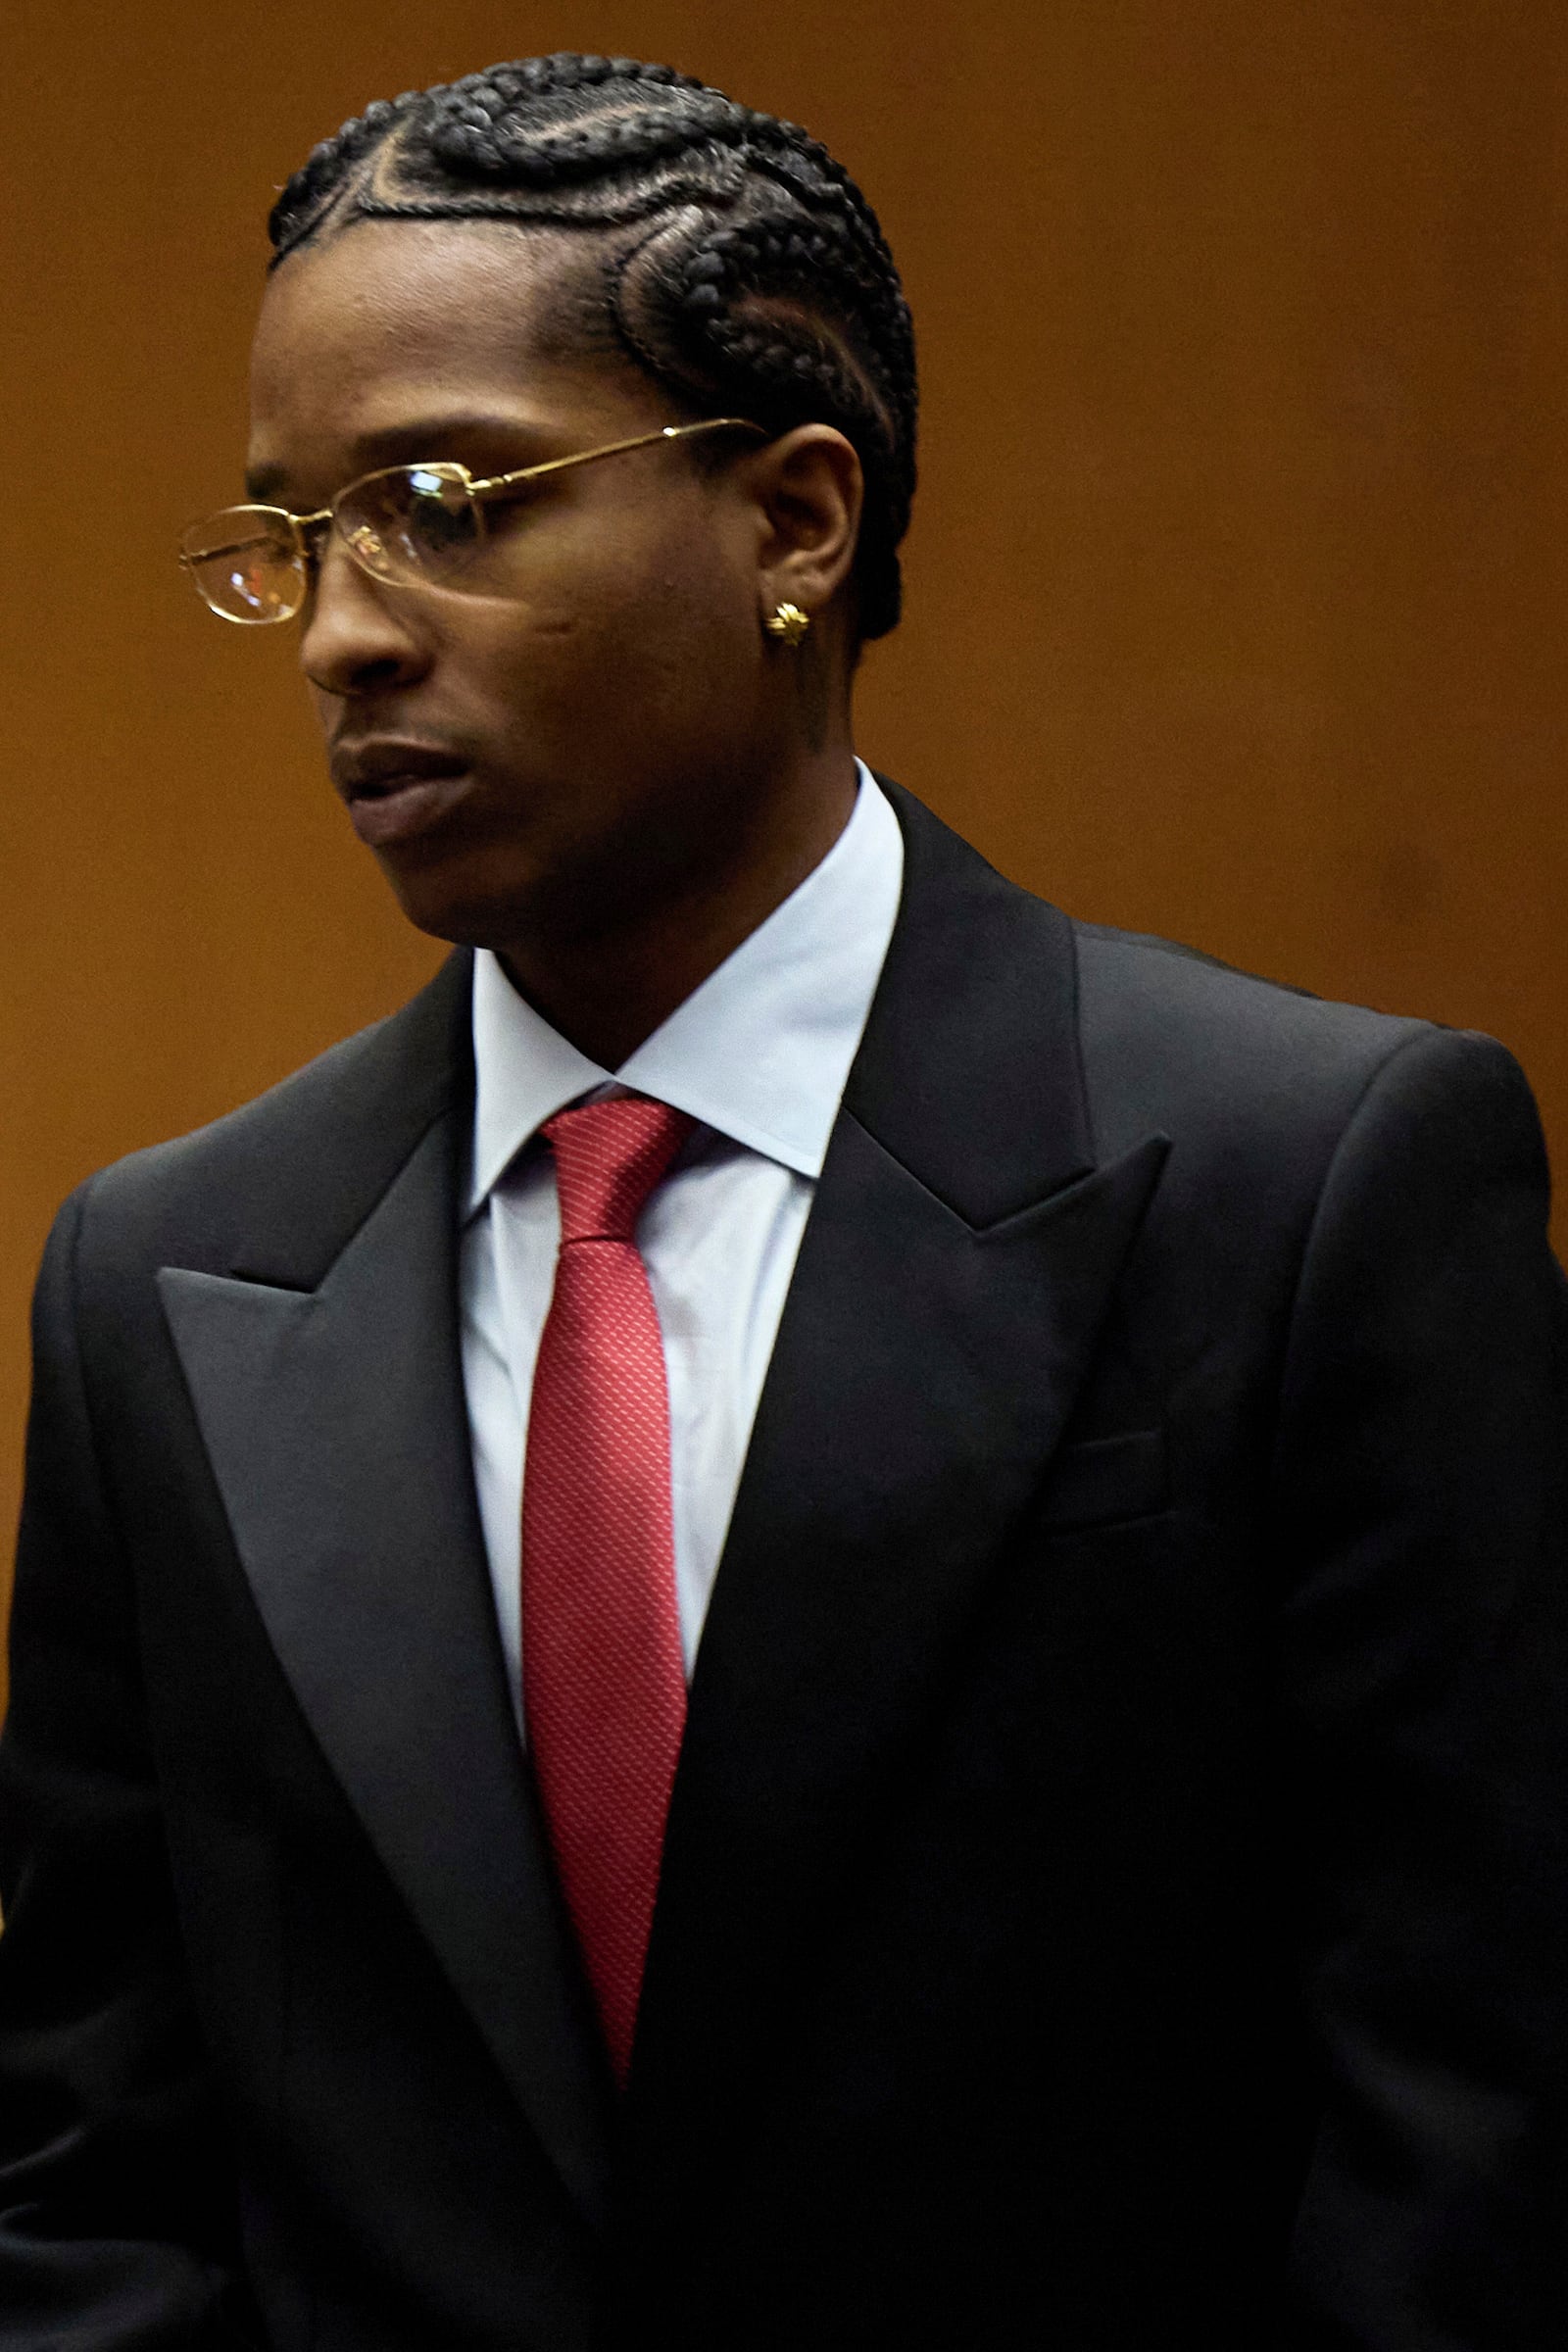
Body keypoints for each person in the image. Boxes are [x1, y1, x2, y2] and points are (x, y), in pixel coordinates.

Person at [1, 51, 1564, 2352]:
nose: (343, 629)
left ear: (796, 523)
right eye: (299, 535)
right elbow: (86, 2173)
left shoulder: (1310, 1186)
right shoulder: (172, 1272)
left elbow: (1468, 2136)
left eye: (444, 499)